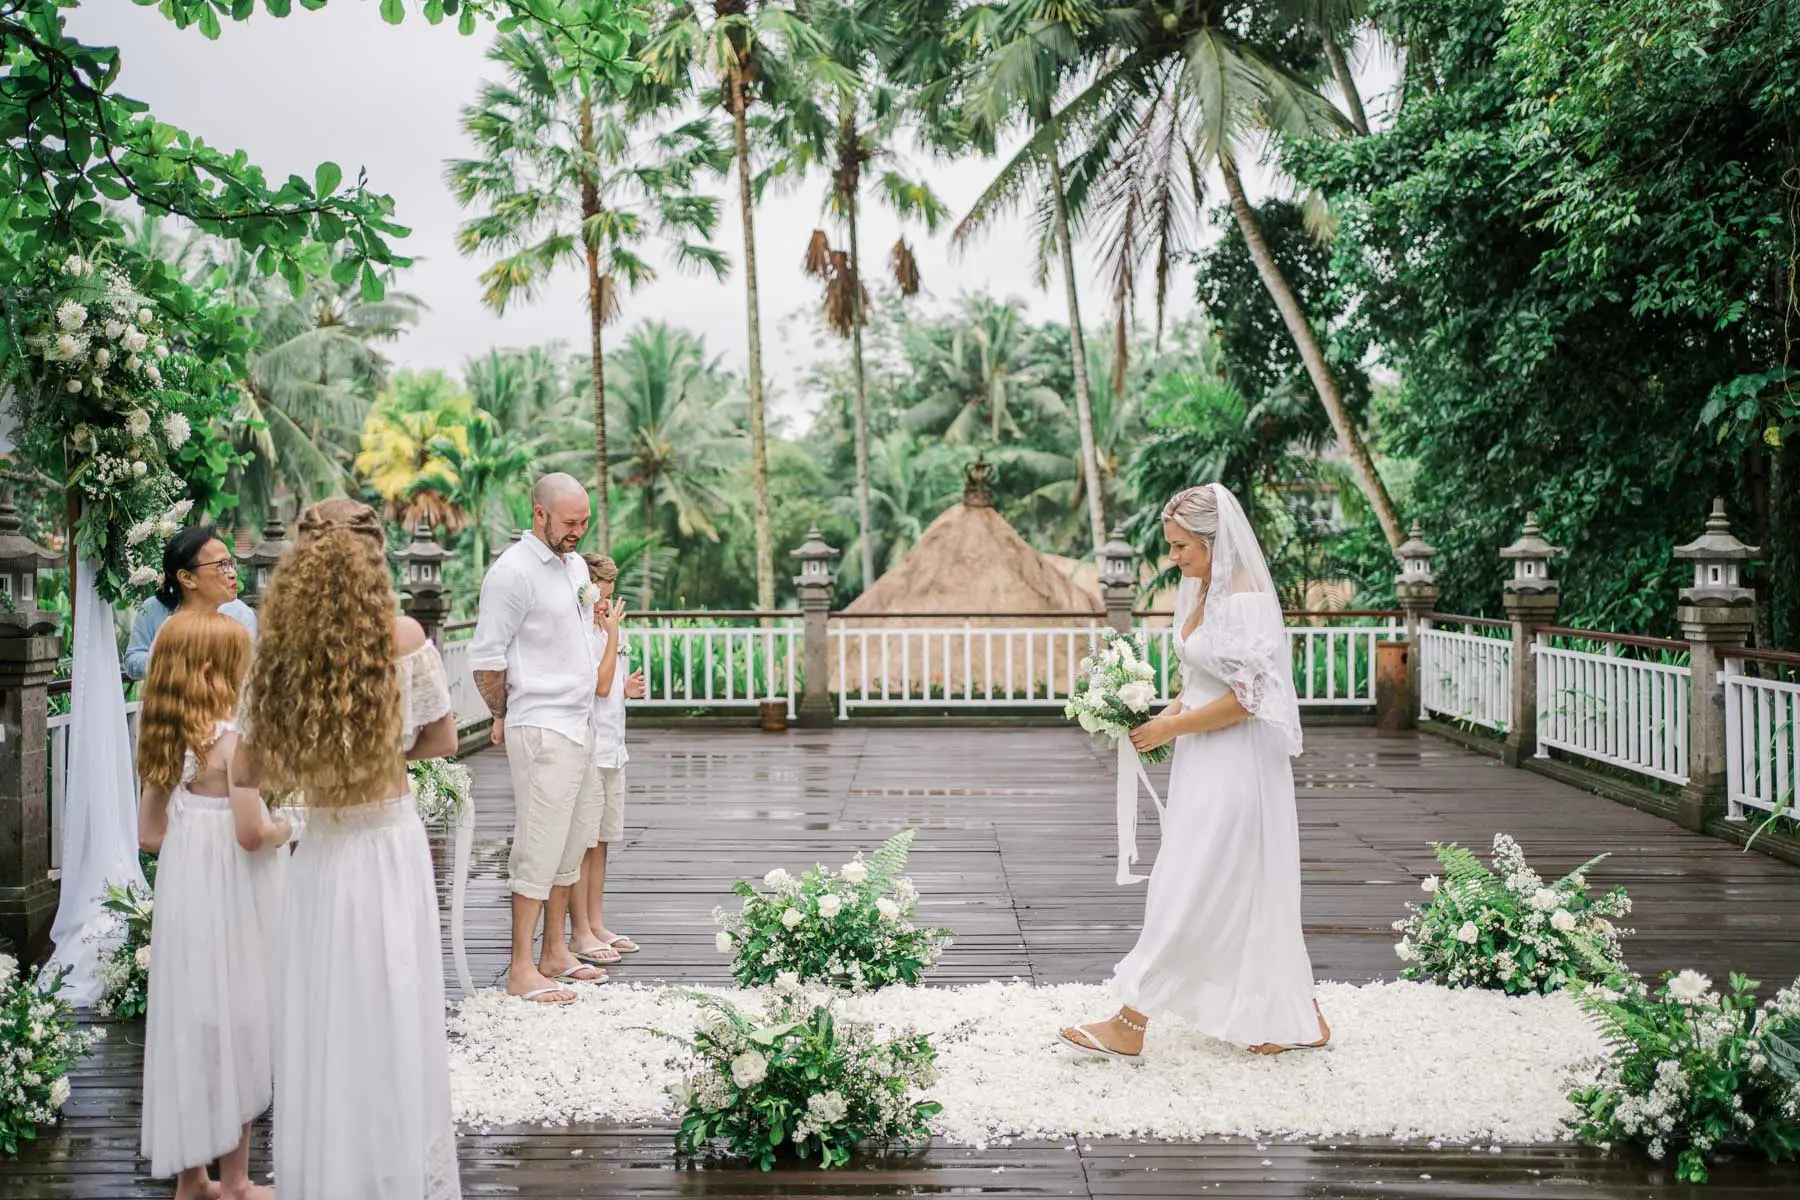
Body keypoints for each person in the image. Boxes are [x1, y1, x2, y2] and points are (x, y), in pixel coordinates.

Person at [1059, 483, 1330, 1059]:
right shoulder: (1202, 592)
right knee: (1233, 879)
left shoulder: (1248, 601)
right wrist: (1165, 713)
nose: (1173, 557)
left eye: (1182, 546)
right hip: (1202, 757)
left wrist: (1169, 730)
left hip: (1237, 762)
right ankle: (1297, 1013)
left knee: (1193, 878)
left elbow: (1249, 699)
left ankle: (1130, 1021)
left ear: (1214, 541)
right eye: (1172, 545)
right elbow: (1202, 681)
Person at [241, 499, 461, 1200]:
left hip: (325, 854)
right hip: (390, 846)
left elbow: (250, 771)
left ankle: (329, 1176)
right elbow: (444, 739)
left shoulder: (277, 650)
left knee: (326, 1017)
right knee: (395, 1010)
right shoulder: (402, 638)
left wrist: (312, 761)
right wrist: (387, 747)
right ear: (376, 559)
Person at [137, 612, 287, 1200]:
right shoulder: (237, 745)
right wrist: (285, 827)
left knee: (192, 1025)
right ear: (211, 671)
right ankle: (236, 1182)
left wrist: (194, 854)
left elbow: (150, 833)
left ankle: (190, 1179)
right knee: (243, 1019)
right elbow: (251, 833)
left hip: (185, 903)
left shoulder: (166, 744)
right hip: (238, 900)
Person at [468, 473, 606, 1003]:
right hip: (542, 725)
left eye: (585, 521)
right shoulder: (512, 572)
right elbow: (486, 659)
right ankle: (520, 966)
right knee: (538, 844)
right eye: (571, 522)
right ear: (539, 513)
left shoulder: (573, 566)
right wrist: (503, 713)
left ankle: (554, 951)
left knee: (572, 841)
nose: (579, 531)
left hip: (580, 722)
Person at [570, 554, 645, 968]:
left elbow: (610, 688)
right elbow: (598, 687)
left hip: (614, 749)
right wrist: (612, 633)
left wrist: (626, 688)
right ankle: (579, 929)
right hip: (589, 749)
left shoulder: (607, 632)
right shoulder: (586, 633)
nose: (605, 605)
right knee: (582, 844)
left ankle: (596, 923)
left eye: (610, 598)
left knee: (601, 843)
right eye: (601, 597)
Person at [124, 525, 258, 680]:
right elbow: (133, 661)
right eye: (221, 565)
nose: (233, 573)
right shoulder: (163, 620)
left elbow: (249, 674)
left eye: (230, 563)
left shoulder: (239, 614)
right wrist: (175, 663)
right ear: (187, 578)